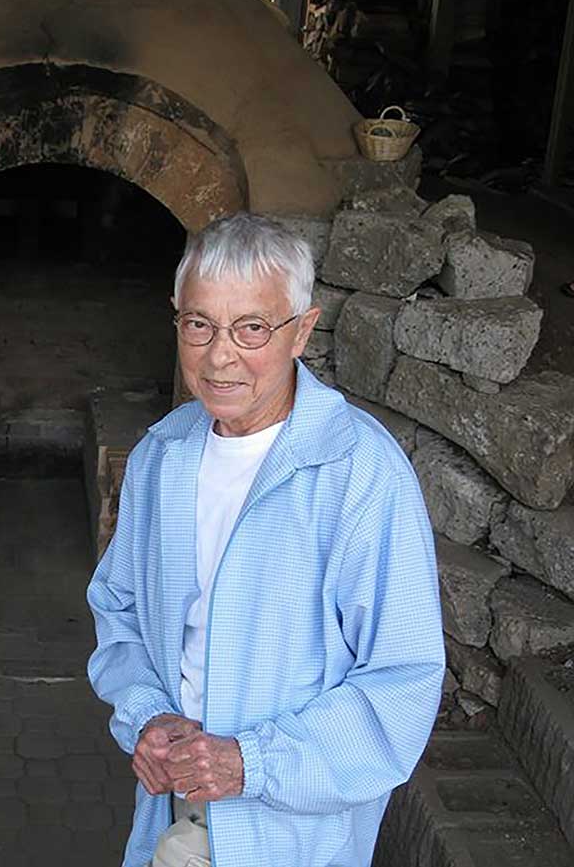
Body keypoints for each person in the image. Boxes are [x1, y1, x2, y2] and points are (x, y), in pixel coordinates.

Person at [86, 213, 445, 867]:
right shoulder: (162, 456)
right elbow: (120, 610)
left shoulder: (359, 471)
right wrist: (147, 716)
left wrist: (251, 761)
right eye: (199, 324)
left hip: (292, 834)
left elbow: (404, 678)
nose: (219, 355)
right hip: (179, 802)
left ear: (302, 330)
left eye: (251, 327)